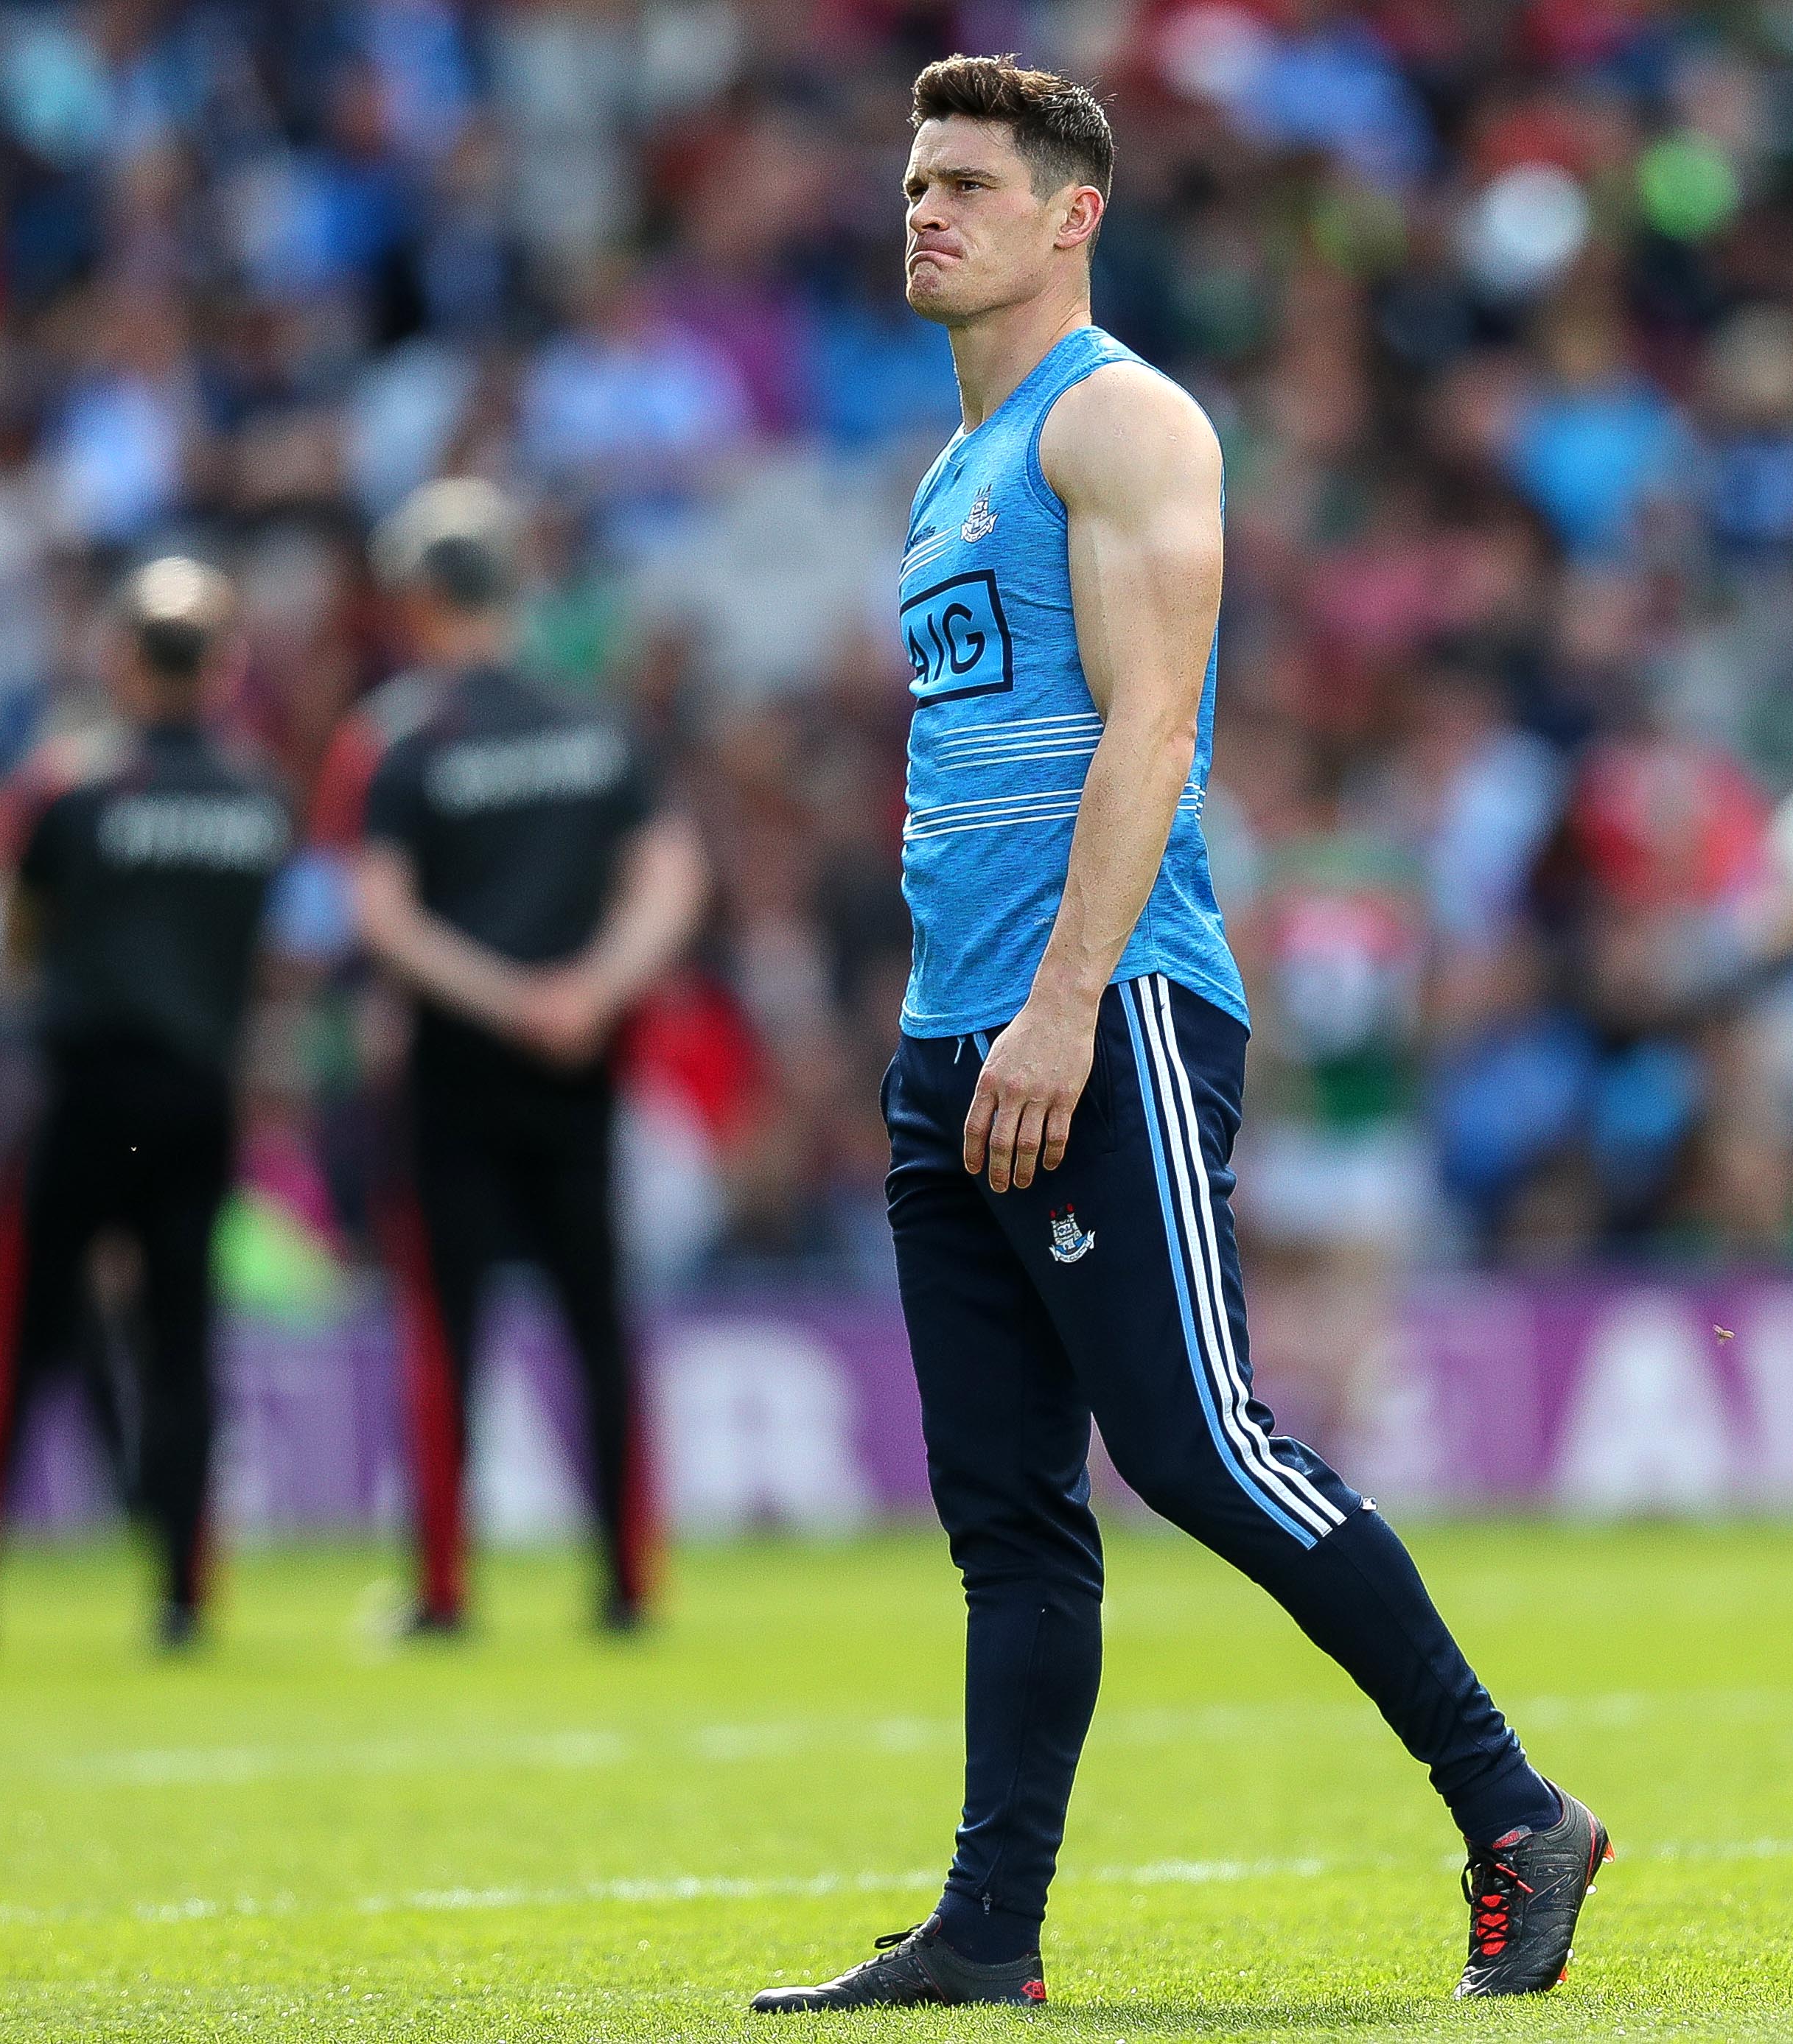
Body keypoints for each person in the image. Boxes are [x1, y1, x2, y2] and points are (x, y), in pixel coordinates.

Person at [750, 57, 1608, 2015]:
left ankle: (1514, 1807)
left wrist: (1063, 1003)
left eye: (968, 182)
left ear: (1076, 216)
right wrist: (957, 1027)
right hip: (955, 1035)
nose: (924, 210)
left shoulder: (1121, 420)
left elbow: (1154, 727)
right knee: (1007, 1512)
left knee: (1199, 1441)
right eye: (914, 180)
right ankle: (990, 1929)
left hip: (1104, 1007)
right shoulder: (953, 469)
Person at [317, 477, 707, 1638]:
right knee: (599, 1316)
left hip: (455, 1068)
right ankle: (628, 1580)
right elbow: (671, 878)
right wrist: (589, 990)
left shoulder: (392, 736)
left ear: (418, 596)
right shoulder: (593, 724)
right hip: (583, 1064)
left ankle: (443, 1590)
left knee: (447, 1329)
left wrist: (506, 999)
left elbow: (380, 916)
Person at [0, 559, 290, 1656]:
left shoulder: (66, 787)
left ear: (121, 659)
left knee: (11, 1342)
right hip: (201, 1094)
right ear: (225, 666)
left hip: (84, 1091)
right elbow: (261, 950)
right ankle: (186, 1599)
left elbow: (13, 933)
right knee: (183, 1347)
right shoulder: (258, 797)